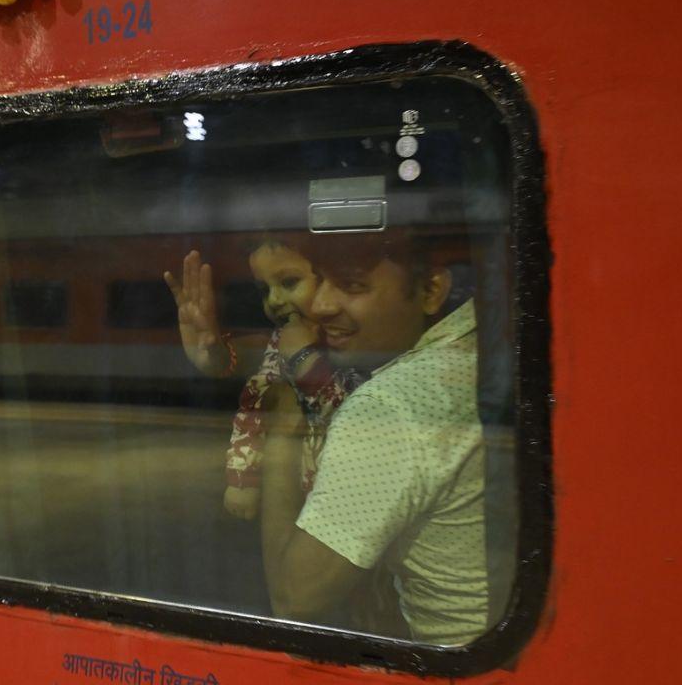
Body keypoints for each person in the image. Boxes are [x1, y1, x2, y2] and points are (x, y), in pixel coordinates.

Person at [257, 230, 487, 645]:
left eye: (351, 285)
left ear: (431, 290)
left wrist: (282, 429)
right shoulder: (477, 349)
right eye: (321, 280)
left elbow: (295, 598)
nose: (321, 305)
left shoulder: (394, 405)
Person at [164, 241, 365, 521]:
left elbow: (356, 414)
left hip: (353, 497)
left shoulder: (350, 338)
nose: (274, 300)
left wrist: (304, 360)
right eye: (265, 290)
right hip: (301, 497)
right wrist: (243, 478)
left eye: (289, 282)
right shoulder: (281, 342)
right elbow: (255, 409)